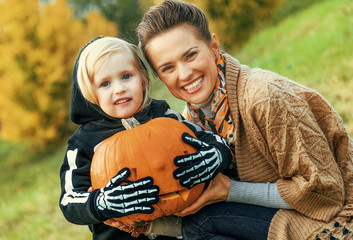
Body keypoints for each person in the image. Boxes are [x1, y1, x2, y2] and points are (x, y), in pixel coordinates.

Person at [137, 1, 353, 239]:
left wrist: (230, 190)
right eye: (168, 68)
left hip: (338, 216)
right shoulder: (192, 121)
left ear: (214, 46)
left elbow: (324, 194)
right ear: (160, 77)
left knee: (204, 223)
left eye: (190, 55)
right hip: (286, 213)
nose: (184, 74)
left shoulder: (264, 98)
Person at [59, 36, 232, 240]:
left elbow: (211, 140)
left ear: (142, 79)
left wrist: (216, 156)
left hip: (188, 228)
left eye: (126, 76)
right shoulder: (83, 142)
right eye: (105, 83)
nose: (119, 88)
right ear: (91, 93)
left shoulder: (162, 115)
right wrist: (100, 202)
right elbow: (69, 201)